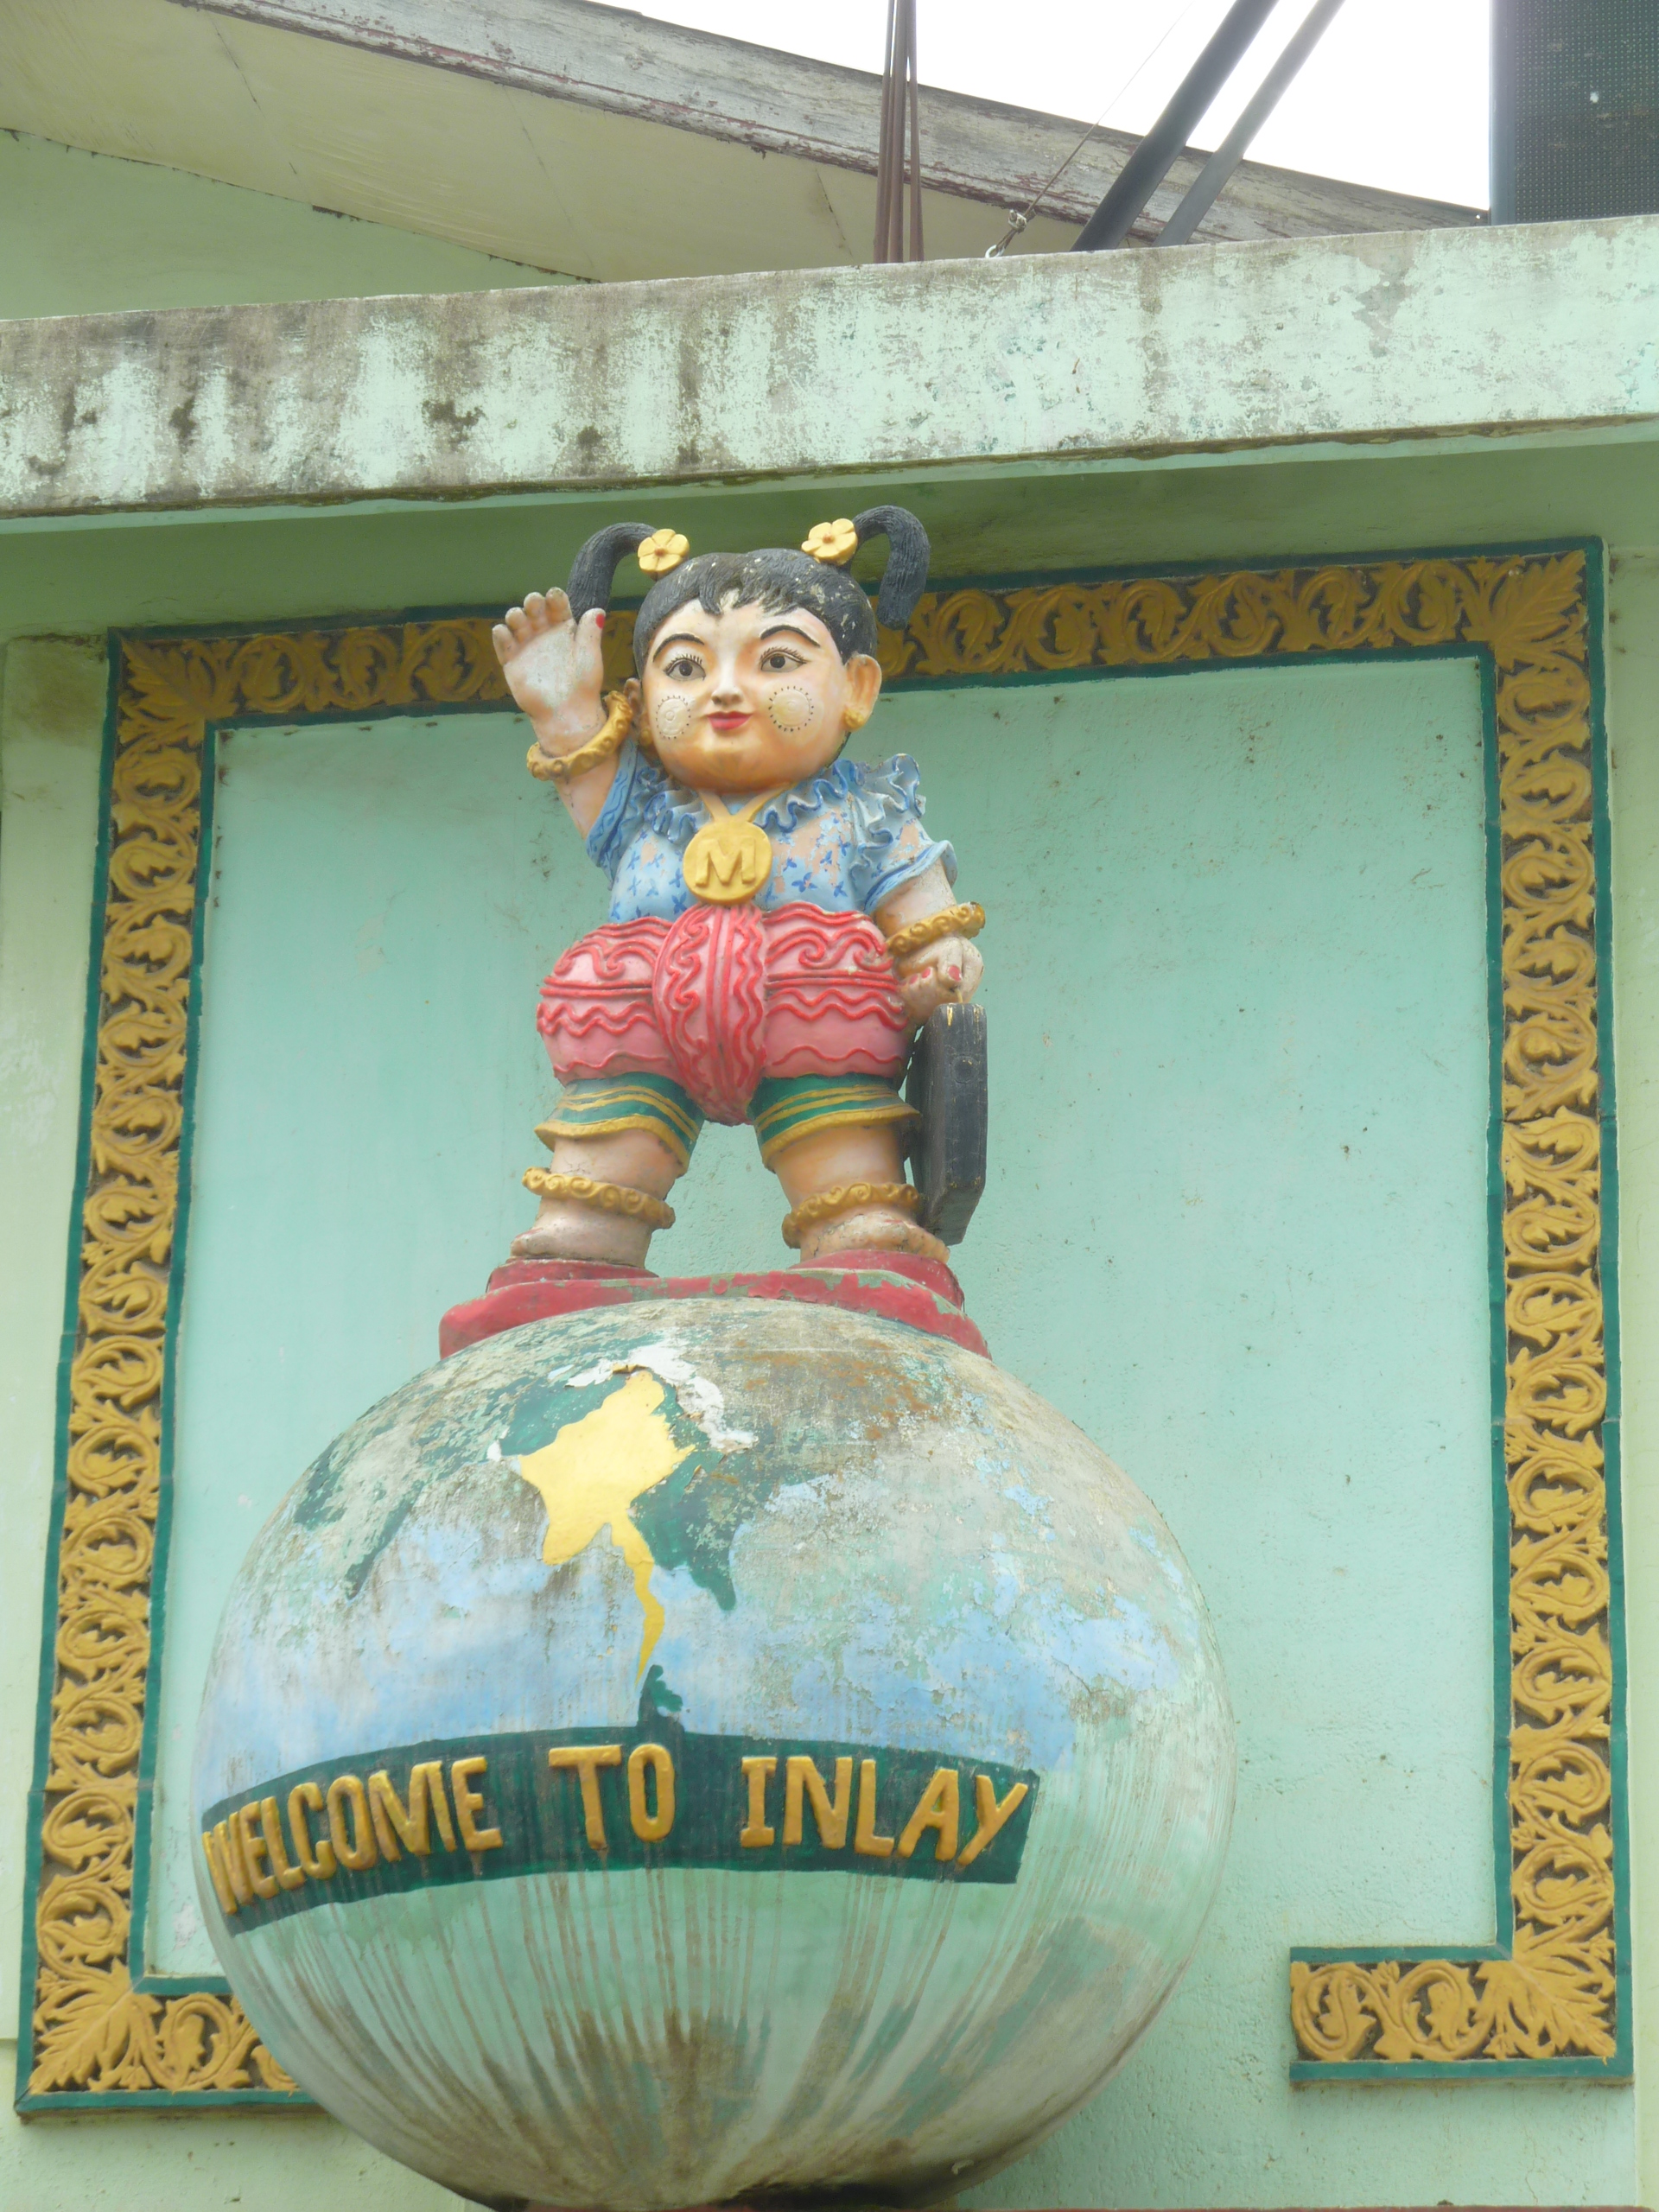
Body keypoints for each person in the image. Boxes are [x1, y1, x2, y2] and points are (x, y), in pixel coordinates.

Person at [493, 506, 983, 1268]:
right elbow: (580, 766)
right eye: (686, 669)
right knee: (607, 1156)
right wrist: (563, 711)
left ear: (856, 687)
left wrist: (936, 964)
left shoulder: (867, 809)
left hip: (820, 1027)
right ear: (641, 699)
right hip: (634, 1030)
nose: (724, 691)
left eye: (777, 661)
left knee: (848, 1176)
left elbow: (924, 917)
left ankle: (857, 1239)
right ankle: (583, 1247)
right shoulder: (641, 807)